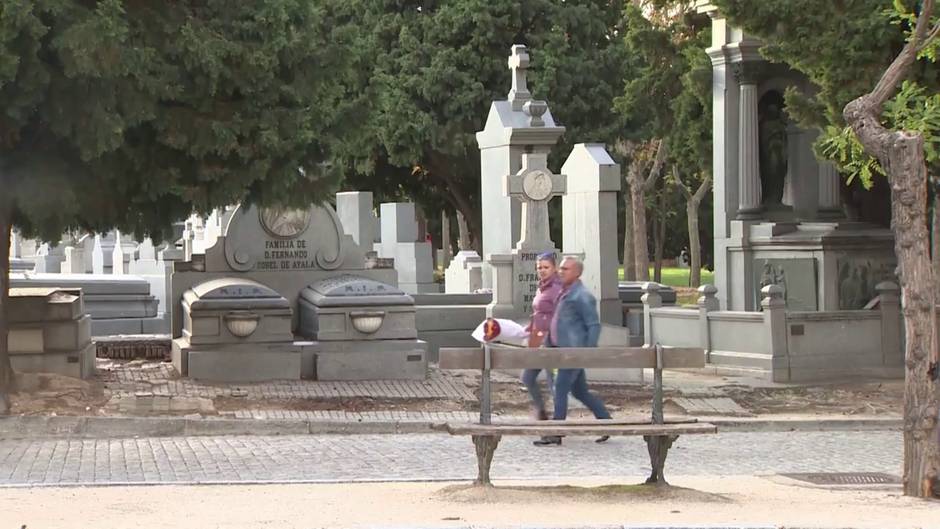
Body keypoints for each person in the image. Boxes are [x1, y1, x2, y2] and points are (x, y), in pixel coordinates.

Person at [535, 255, 612, 446]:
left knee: (560, 387)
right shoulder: (564, 292)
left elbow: (594, 325)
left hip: (573, 353)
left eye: (565, 269)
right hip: (560, 352)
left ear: (577, 273)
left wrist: (587, 353)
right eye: (560, 268)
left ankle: (556, 433)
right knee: (580, 392)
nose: (560, 272)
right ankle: (608, 423)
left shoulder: (582, 296)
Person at [521, 252, 562, 421]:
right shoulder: (542, 287)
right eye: (539, 267)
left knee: (555, 385)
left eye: (546, 267)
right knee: (528, 377)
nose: (542, 270)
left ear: (554, 268)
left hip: (553, 343)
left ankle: (557, 427)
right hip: (540, 341)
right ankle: (542, 412)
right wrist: (531, 328)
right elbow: (540, 313)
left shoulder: (557, 288)